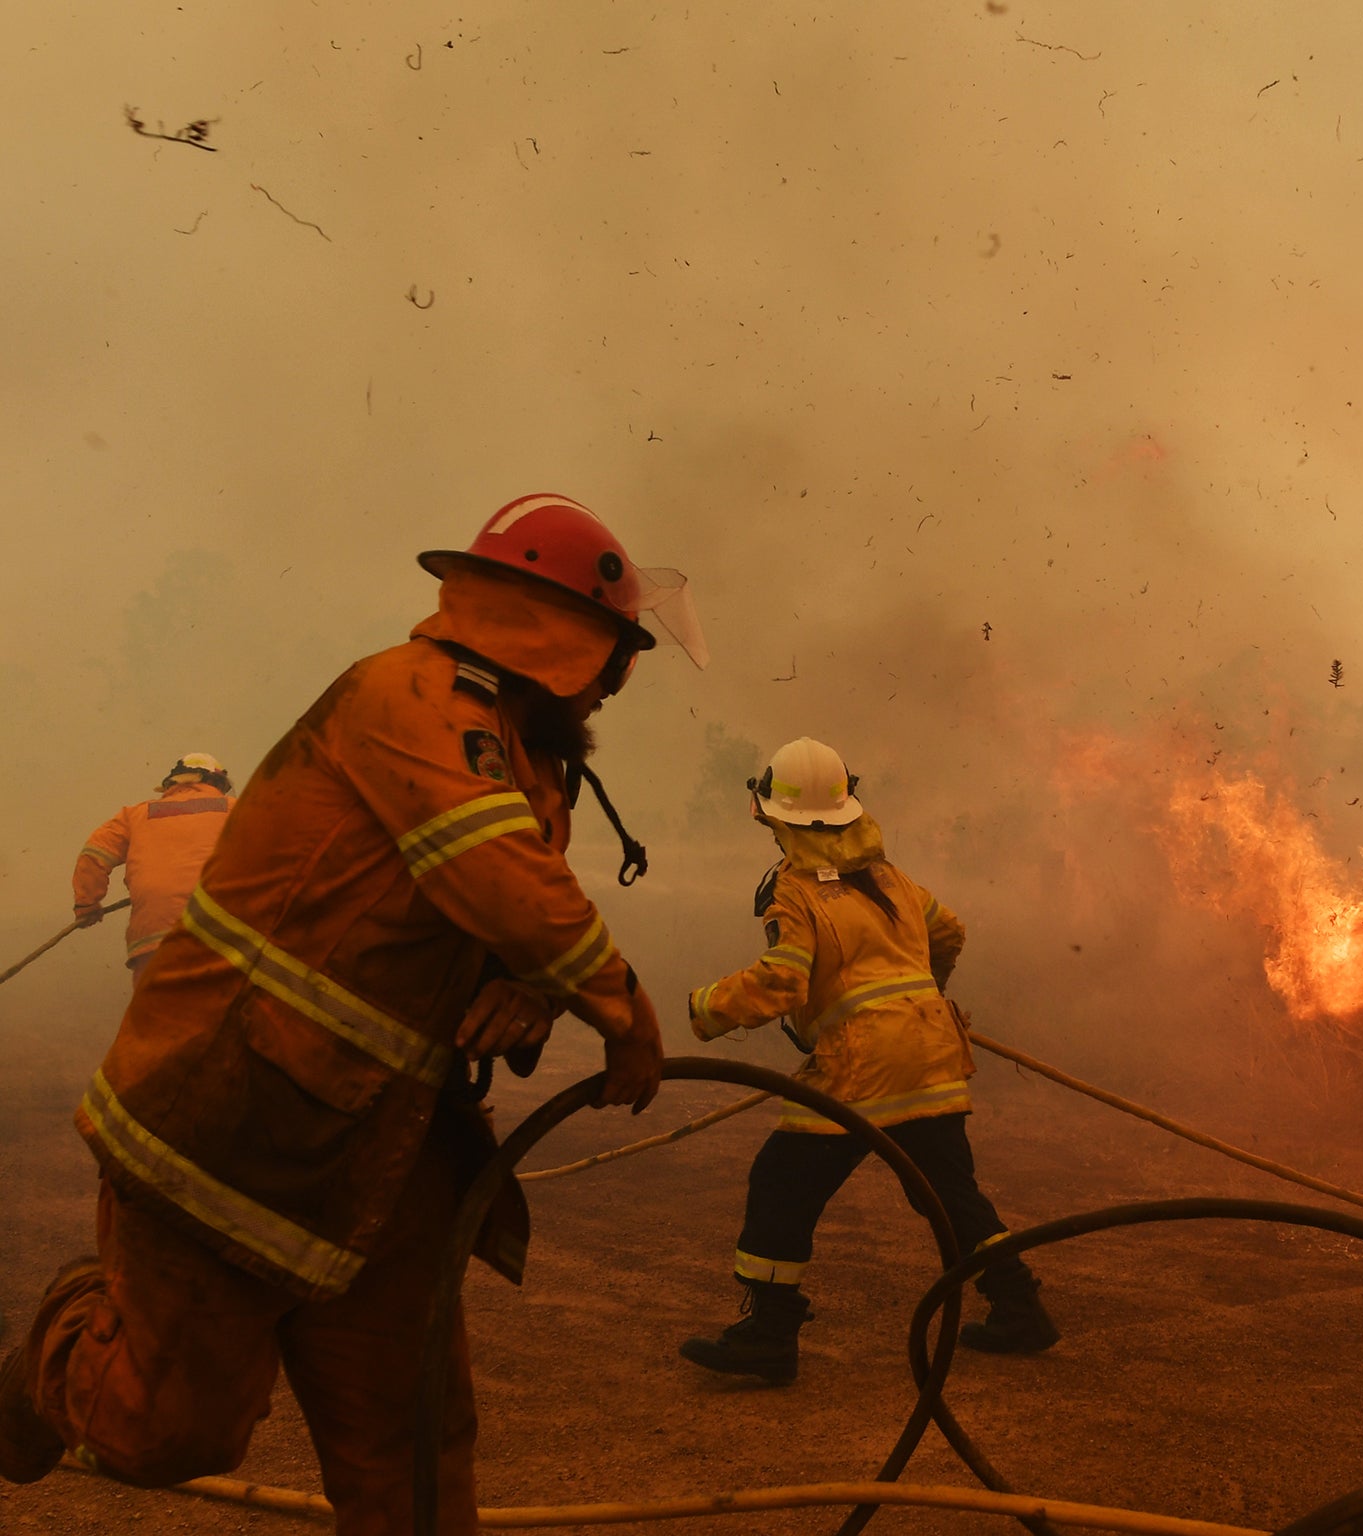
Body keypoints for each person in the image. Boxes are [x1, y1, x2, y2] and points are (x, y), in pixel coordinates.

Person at [0, 493, 707, 1536]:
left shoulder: (531, 764)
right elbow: (493, 869)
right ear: (573, 640)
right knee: (165, 1434)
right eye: (617, 660)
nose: (614, 688)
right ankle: (53, 1348)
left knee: (412, 1458)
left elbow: (502, 909)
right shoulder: (412, 698)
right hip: (231, 1133)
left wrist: (524, 986)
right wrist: (623, 1014)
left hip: (389, 1161)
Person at [678, 736, 1058, 1386]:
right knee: (948, 1191)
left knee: (782, 1184)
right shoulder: (891, 877)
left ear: (774, 817)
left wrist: (707, 1007)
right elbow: (950, 930)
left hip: (860, 1069)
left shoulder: (793, 892)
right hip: (932, 1051)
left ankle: (768, 1335)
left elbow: (784, 981)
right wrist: (924, 991)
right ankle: (1019, 1305)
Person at [72, 752, 237, 983]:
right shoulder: (237, 810)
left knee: (155, 1017)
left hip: (154, 940)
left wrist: (86, 904)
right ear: (217, 783)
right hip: (222, 936)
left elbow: (93, 855)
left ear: (171, 784)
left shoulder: (135, 815)